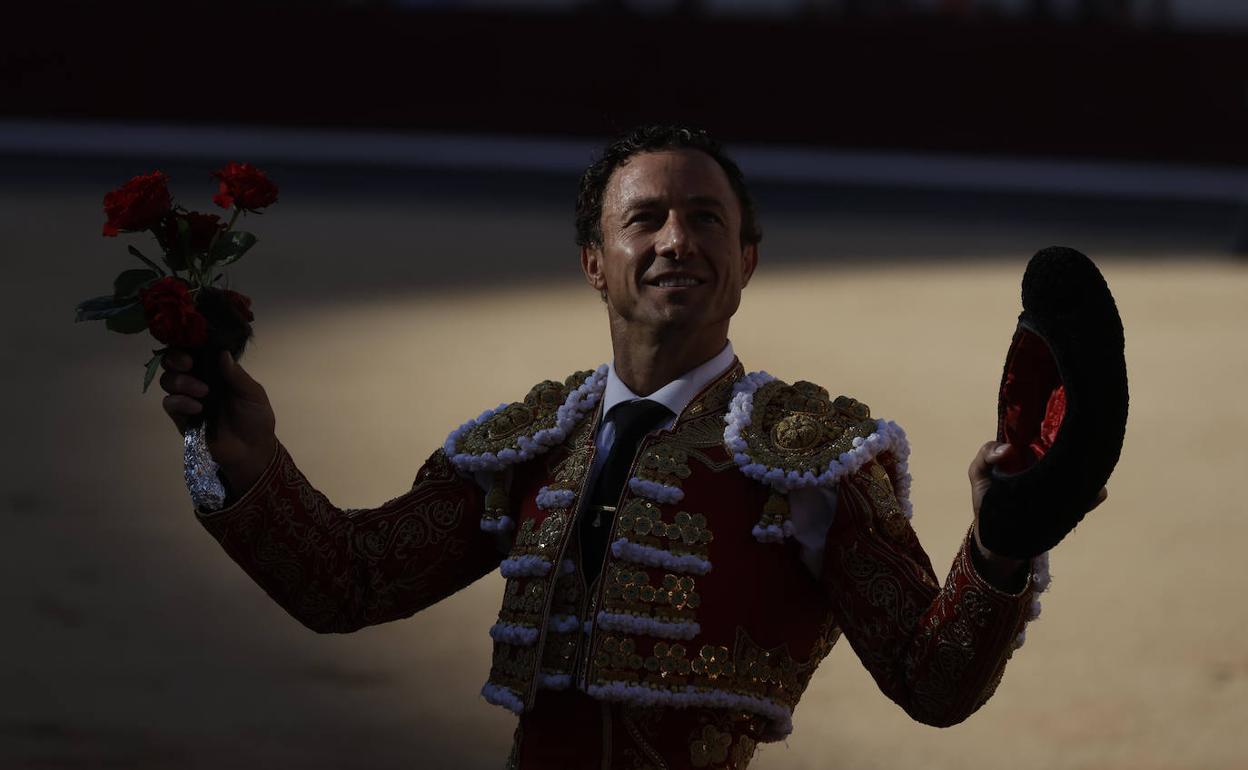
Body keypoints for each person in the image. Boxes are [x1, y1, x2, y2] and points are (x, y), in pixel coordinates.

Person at [159, 124, 1103, 769]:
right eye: (644, 218)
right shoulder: (530, 444)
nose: (676, 240)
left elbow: (930, 681)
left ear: (748, 264)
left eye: (706, 219)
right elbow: (349, 581)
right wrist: (243, 461)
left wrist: (999, 549)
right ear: (593, 261)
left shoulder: (811, 460)